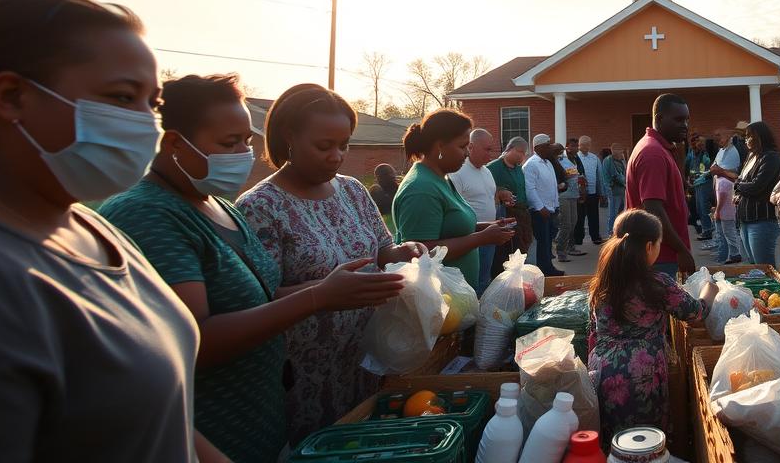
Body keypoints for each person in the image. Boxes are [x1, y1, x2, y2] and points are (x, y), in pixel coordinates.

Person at [102, 74, 406, 463]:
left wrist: (341, 289)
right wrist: (319, 296)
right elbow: (191, 341)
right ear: (175, 143)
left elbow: (261, 297)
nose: (244, 154)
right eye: (230, 143)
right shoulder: (150, 215)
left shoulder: (218, 206)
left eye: (246, 140)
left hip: (265, 419)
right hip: (217, 432)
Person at [0, 0, 218, 462]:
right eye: (120, 97)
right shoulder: (4, 284)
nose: (146, 124)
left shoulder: (93, 228)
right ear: (12, 96)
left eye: (151, 103)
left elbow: (155, 414)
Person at [236, 84, 429, 443]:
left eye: (344, 145)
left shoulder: (353, 190)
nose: (336, 156)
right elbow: (258, 299)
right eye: (324, 146)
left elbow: (379, 250)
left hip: (367, 357)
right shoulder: (261, 207)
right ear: (287, 138)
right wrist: (322, 293)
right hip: (305, 374)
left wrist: (404, 252)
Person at [588, 209, 717, 444]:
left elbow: (594, 326)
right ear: (649, 247)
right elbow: (696, 313)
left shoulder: (603, 281)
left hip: (602, 370)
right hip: (641, 374)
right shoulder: (656, 284)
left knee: (612, 441)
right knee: (644, 442)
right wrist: (710, 290)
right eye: (659, 243)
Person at [393, 111, 516, 290]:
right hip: (439, 299)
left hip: (456, 297)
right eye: (462, 146)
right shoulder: (421, 189)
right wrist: (481, 238)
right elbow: (420, 252)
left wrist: (488, 226)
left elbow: (449, 227)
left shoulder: (441, 178)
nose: (467, 153)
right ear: (440, 146)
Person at [627, 94, 698, 276]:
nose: (685, 126)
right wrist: (681, 250)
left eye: (687, 120)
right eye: (679, 119)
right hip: (659, 256)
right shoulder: (652, 153)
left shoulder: (661, 148)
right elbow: (653, 209)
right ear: (659, 119)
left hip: (662, 253)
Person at [448, 128, 503, 294]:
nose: (491, 154)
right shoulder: (457, 172)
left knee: (484, 279)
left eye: (491, 149)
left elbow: (490, 197)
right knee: (471, 283)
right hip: (470, 238)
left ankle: (482, 313)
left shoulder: (487, 171)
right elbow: (452, 208)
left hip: (489, 235)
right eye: (487, 149)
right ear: (471, 147)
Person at [732, 120, 780, 266]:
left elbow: (757, 186)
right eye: (745, 136)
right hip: (745, 219)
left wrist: (738, 186)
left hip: (762, 220)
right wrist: (738, 191)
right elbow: (743, 182)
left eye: (750, 136)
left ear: (761, 137)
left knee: (764, 267)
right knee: (754, 268)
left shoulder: (771, 157)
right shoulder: (750, 157)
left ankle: (774, 290)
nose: (746, 139)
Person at [487, 137, 534, 263]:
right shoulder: (494, 168)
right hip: (506, 216)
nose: (523, 156)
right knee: (511, 250)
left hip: (523, 213)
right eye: (520, 152)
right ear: (510, 149)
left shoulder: (518, 168)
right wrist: (500, 192)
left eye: (525, 153)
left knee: (525, 245)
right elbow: (486, 189)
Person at [522, 134, 563, 277]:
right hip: (540, 211)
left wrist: (556, 204)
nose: (551, 148)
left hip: (551, 209)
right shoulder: (532, 164)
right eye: (548, 145)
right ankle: (544, 271)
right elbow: (530, 188)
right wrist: (540, 207)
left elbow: (551, 185)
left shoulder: (547, 163)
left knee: (548, 241)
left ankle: (548, 267)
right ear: (538, 147)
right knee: (542, 242)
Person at [709, 128, 742, 263]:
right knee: (724, 233)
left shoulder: (725, 179)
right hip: (725, 207)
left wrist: (717, 209)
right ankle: (726, 254)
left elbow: (724, 190)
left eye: (719, 136)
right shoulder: (722, 151)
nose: (717, 139)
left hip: (726, 209)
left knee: (728, 233)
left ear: (728, 136)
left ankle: (733, 254)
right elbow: (713, 167)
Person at [573, 135, 604, 247]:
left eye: (587, 145)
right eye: (583, 145)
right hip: (579, 193)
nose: (585, 147)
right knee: (579, 217)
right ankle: (578, 238)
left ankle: (595, 236)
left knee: (594, 216)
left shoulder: (594, 158)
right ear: (579, 146)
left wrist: (601, 193)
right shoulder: (575, 158)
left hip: (592, 193)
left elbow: (599, 176)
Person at [556, 140, 584, 262]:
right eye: (573, 146)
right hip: (564, 195)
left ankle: (570, 247)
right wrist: (567, 174)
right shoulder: (560, 160)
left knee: (573, 222)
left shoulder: (575, 159)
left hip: (574, 194)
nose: (576, 148)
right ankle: (561, 251)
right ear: (567, 147)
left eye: (576, 146)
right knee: (566, 224)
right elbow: (558, 175)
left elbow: (578, 172)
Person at [686, 135, 714, 240]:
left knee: (703, 208)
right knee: (699, 208)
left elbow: (703, 169)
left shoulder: (704, 154)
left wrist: (694, 179)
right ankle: (705, 229)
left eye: (698, 142)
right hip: (697, 183)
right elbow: (689, 166)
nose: (695, 144)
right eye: (694, 142)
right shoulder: (692, 153)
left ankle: (708, 231)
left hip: (703, 183)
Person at [602, 143, 627, 231]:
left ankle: (618, 231)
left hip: (621, 190)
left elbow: (625, 172)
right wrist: (626, 182)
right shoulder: (609, 160)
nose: (622, 154)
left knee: (621, 213)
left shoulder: (621, 161)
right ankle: (611, 232)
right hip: (613, 191)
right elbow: (615, 175)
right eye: (621, 152)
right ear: (615, 152)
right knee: (613, 213)